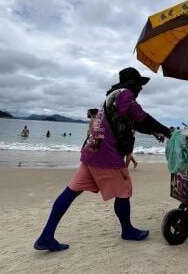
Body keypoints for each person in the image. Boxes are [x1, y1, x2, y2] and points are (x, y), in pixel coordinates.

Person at [34, 67, 171, 252]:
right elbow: (142, 117)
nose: (141, 90)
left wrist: (154, 131)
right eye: (140, 86)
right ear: (133, 84)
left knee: (70, 192)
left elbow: (134, 122)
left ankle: (46, 236)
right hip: (106, 155)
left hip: (92, 151)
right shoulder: (125, 95)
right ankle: (127, 231)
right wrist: (167, 131)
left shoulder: (111, 97)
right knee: (124, 191)